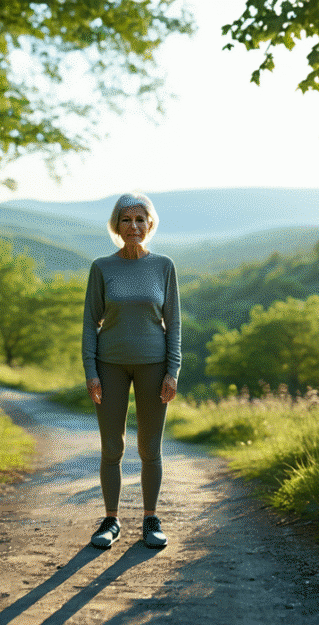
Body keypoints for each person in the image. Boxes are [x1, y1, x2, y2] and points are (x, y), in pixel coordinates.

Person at [82, 192, 181, 550]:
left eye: (140, 220)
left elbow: (174, 323)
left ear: (149, 224)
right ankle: (110, 520)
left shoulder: (164, 266)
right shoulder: (102, 267)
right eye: (127, 220)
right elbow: (90, 323)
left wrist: (174, 371)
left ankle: (150, 519)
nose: (134, 226)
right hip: (109, 366)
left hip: (154, 367)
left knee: (149, 448)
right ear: (117, 225)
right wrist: (91, 372)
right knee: (112, 448)